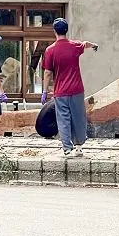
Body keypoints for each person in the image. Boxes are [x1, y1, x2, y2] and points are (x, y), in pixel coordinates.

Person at [41, 18, 98, 157]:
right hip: (77, 90)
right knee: (79, 118)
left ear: (54, 31)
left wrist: (44, 91)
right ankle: (79, 147)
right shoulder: (74, 45)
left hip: (61, 91)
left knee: (63, 119)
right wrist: (94, 45)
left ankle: (67, 148)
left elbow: (47, 73)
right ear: (66, 30)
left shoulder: (50, 50)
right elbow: (85, 44)